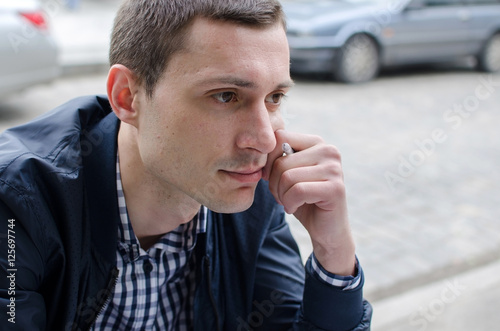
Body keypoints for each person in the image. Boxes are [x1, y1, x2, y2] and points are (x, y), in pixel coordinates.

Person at [0, 0, 372, 330]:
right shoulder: (18, 205)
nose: (266, 140)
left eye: (274, 97)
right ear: (127, 97)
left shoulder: (252, 192)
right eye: (226, 96)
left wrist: (334, 252)